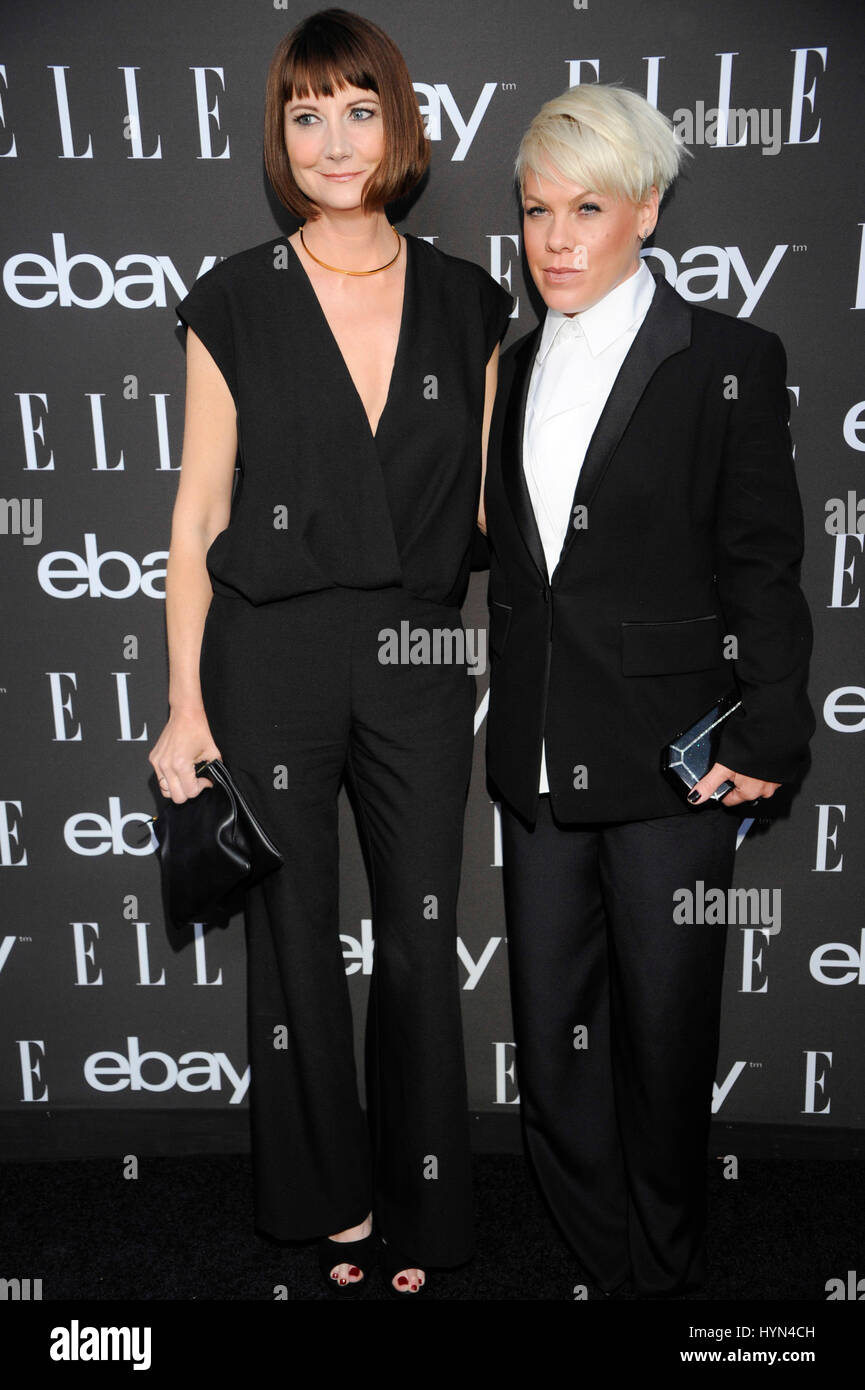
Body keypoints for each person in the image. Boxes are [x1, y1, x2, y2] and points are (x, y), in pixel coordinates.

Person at [148, 8, 511, 1296]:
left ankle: (423, 1207)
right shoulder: (234, 298)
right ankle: (334, 1208)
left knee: (420, 940)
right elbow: (197, 513)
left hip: (416, 656)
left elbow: (488, 506)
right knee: (293, 941)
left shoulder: (475, 299)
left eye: (358, 108)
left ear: (397, 124)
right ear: (281, 136)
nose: (333, 139)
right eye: (306, 114)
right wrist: (184, 703)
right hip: (269, 655)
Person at [482, 83, 814, 1297]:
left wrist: (773, 727)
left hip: (676, 759)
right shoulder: (507, 369)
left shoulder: (730, 358)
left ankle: (662, 1274)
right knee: (554, 1041)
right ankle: (593, 1260)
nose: (555, 238)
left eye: (586, 207)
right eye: (533, 212)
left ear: (648, 211)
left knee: (667, 1040)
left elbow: (762, 568)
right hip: (535, 757)